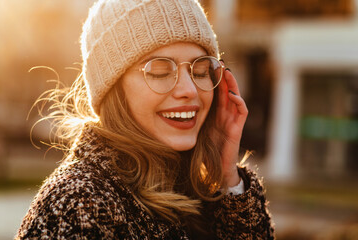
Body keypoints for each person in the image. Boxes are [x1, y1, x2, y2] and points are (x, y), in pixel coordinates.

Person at [16, 0, 274, 239]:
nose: (190, 89)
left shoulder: (207, 195)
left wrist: (227, 179)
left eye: (200, 70)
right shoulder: (80, 202)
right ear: (114, 88)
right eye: (160, 71)